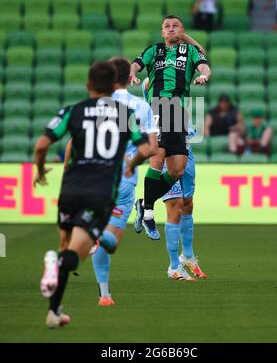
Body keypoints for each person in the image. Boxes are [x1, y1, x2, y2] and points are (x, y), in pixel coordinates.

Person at [34, 62, 152, 328]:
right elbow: (146, 148)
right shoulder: (124, 114)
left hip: (70, 188)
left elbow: (42, 144)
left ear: (88, 85)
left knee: (70, 248)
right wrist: (132, 166)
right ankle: (93, 240)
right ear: (113, 87)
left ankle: (54, 312)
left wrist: (40, 170)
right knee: (98, 244)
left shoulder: (72, 111)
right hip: (101, 191)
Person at [130, 15, 211, 240]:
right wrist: (133, 72)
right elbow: (135, 64)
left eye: (176, 26)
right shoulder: (154, 52)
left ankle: (144, 202)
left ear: (183, 32)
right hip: (156, 108)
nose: (171, 29)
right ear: (162, 32)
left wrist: (204, 75)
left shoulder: (190, 52)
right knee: (157, 159)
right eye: (167, 26)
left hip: (178, 112)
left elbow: (204, 62)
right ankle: (148, 213)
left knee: (177, 170)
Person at [84, 57, 157, 306]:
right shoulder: (142, 106)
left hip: (95, 176)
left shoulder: (94, 105)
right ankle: (101, 237)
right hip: (124, 178)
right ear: (129, 77)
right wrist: (132, 163)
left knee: (102, 233)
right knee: (112, 240)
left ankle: (104, 295)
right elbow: (151, 148)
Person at [139, 78, 207, 281]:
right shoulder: (154, 84)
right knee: (175, 207)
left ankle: (187, 256)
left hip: (184, 145)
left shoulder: (181, 80)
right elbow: (146, 83)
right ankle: (174, 266)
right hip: (165, 147)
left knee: (187, 203)